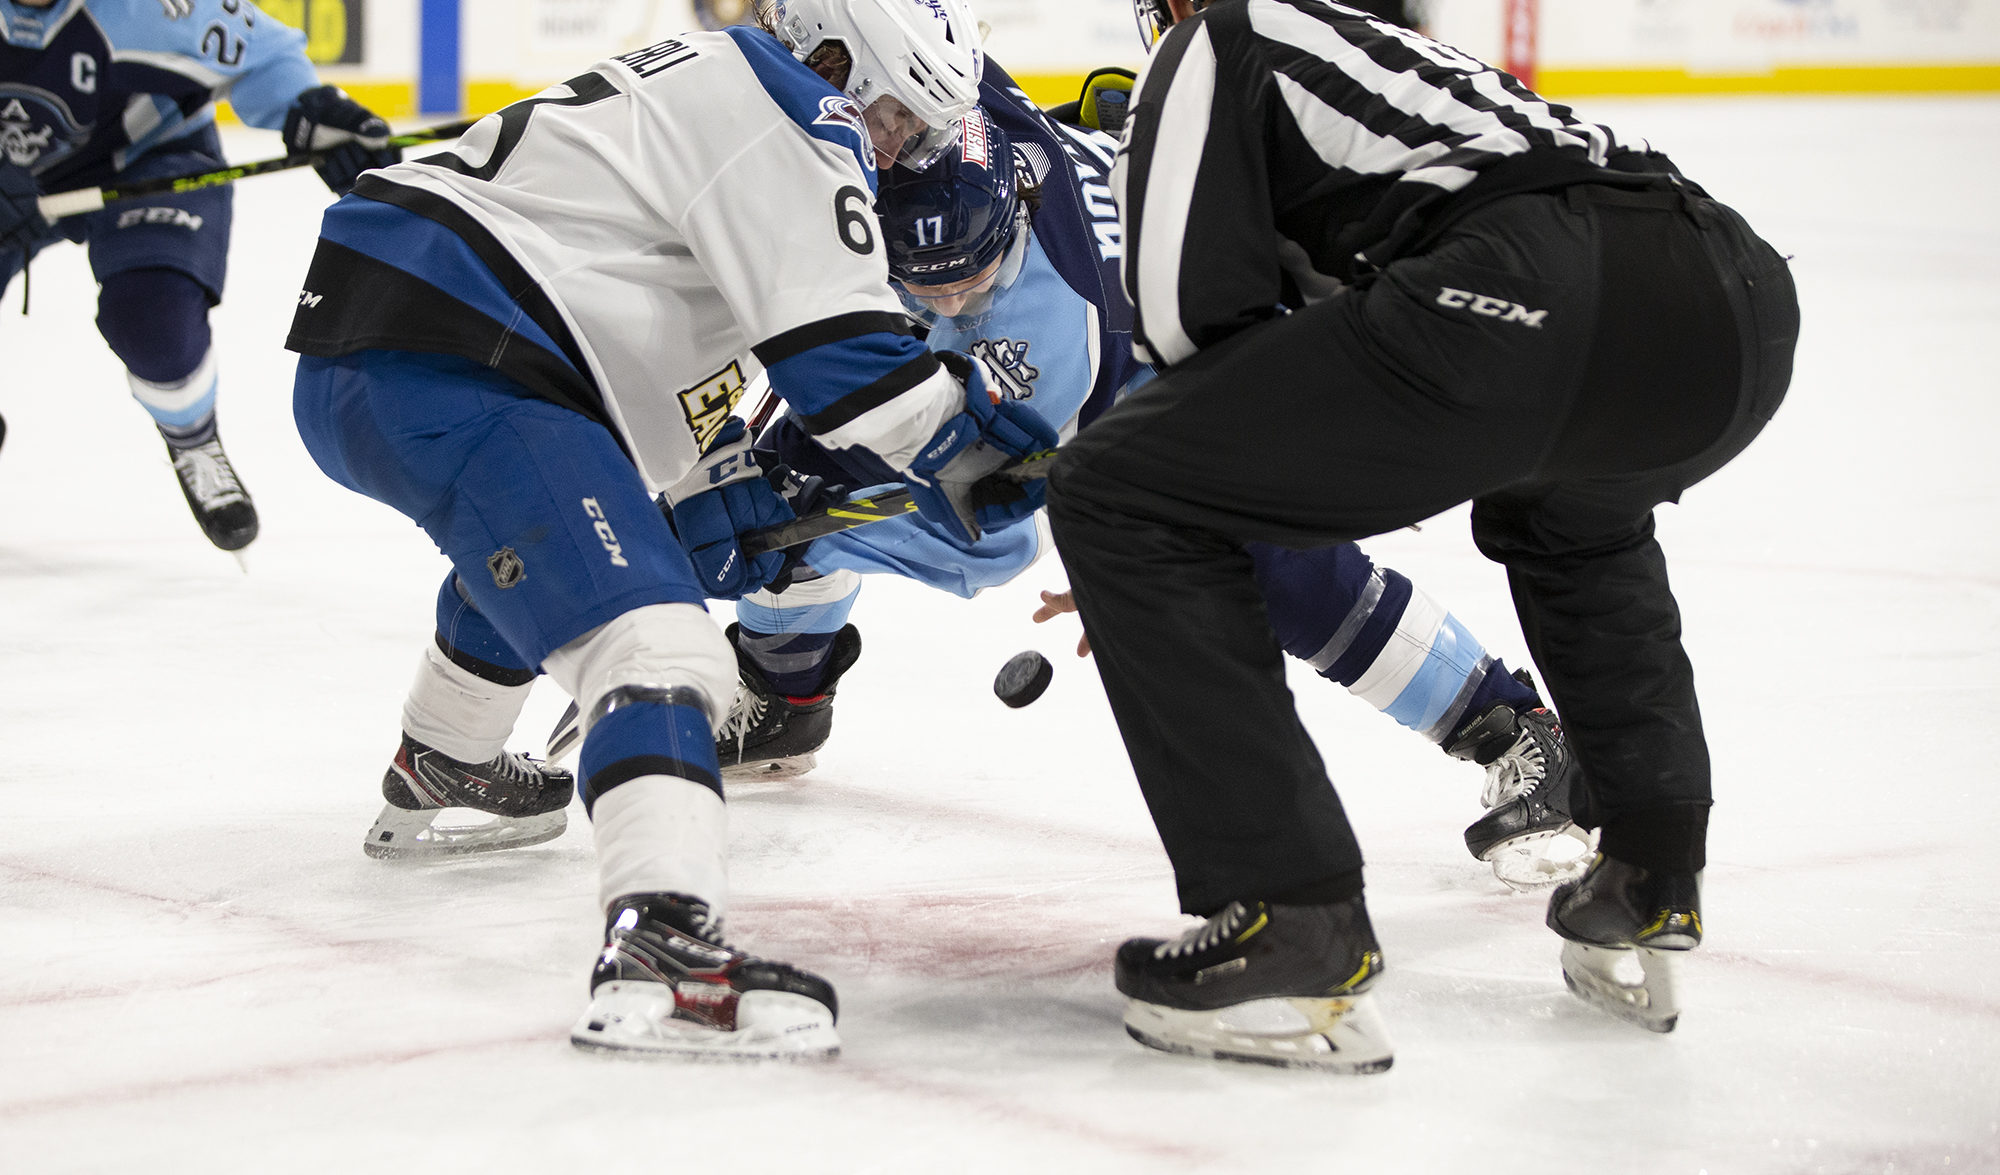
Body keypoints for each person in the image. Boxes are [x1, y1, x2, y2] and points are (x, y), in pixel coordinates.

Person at [287, 0, 1055, 1059]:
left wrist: (711, 507)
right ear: (833, 56)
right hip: (461, 354)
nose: (901, 150)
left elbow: (651, 396)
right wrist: (979, 446)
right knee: (656, 643)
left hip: (422, 338)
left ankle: (444, 760)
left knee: (565, 541)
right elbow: (855, 380)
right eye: (899, 117)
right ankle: (661, 950)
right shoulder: (801, 108)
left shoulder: (710, 81)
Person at [1044, 0, 1798, 1067]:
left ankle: (1290, 917)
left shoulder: (1216, 33)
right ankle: (1647, 865)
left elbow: (1183, 323)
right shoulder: (1410, 67)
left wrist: (1176, 513)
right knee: (1572, 522)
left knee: (1110, 490)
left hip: (1533, 284)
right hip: (1735, 302)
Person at [729, 70, 1585, 888]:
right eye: (927, 282)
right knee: (808, 465)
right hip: (1178, 298)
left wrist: (1123, 568)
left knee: (1271, 567)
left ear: (1012, 220)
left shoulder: (1049, 331)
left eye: (971, 279)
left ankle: (1510, 727)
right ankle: (785, 688)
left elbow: (993, 506)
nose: (950, 302)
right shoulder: (970, 106)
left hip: (1209, 363)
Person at [1, 0, 399, 551]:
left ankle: (191, 437)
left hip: (150, 157)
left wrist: (313, 111)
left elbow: (262, 55)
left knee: (153, 321)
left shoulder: (148, 8)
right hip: (10, 175)